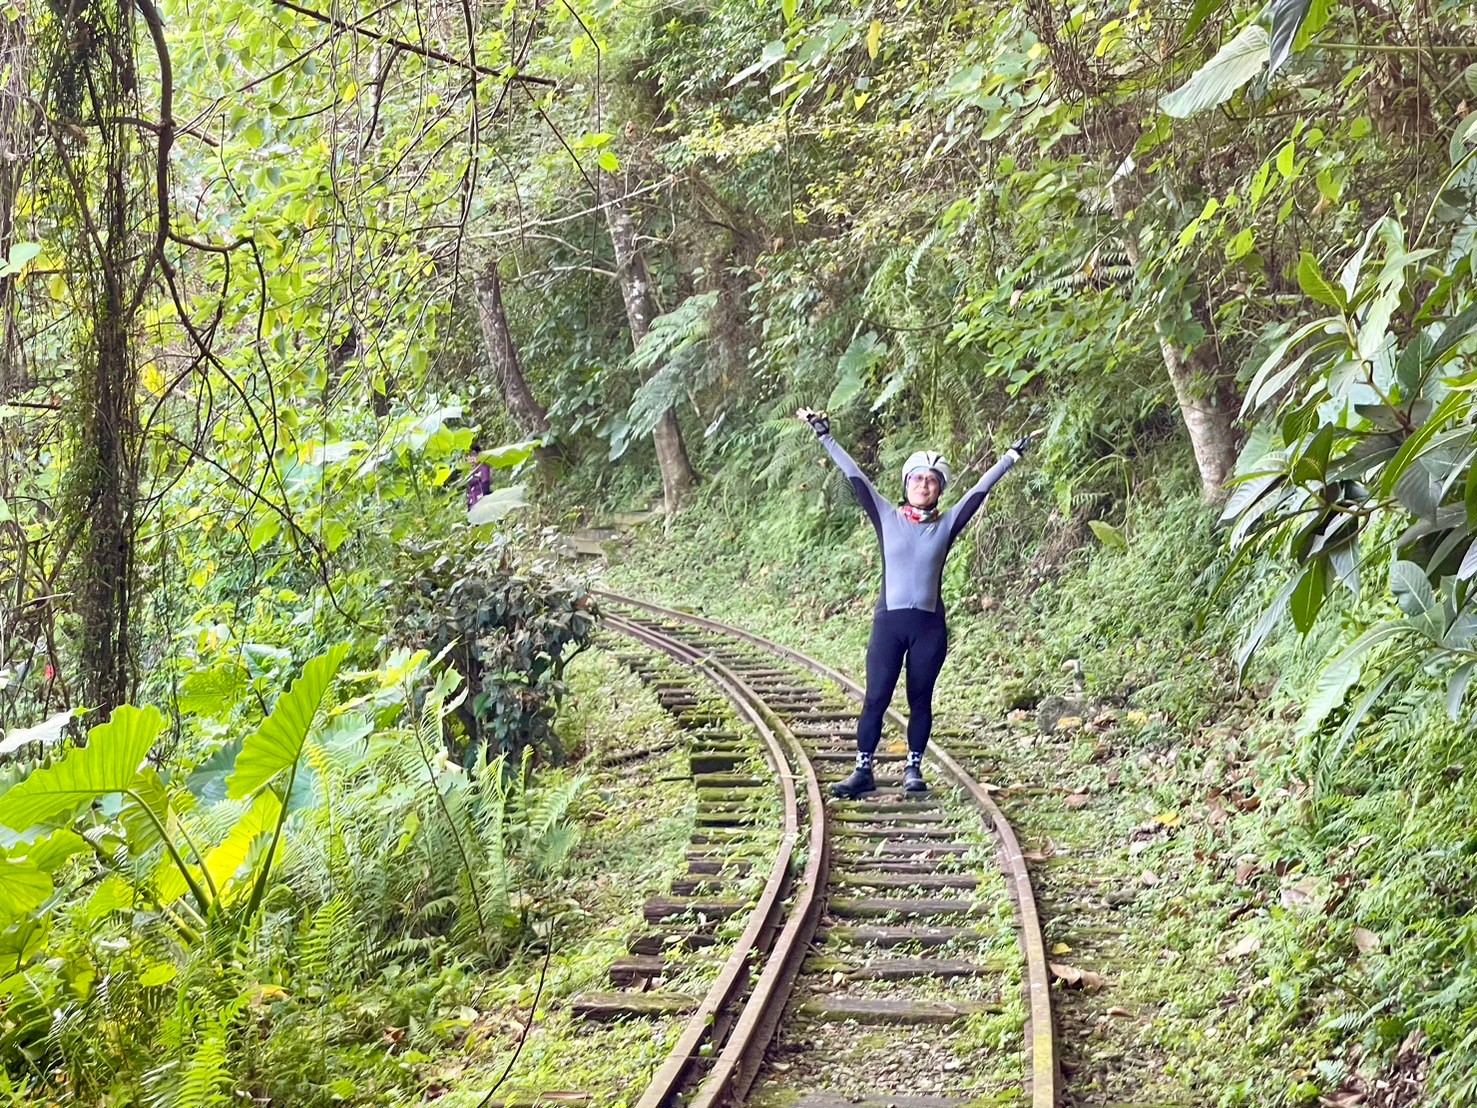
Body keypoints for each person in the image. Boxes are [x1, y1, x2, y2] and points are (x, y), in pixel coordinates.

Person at [796, 408, 1032, 798]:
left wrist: (1010, 457)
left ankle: (913, 768)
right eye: (918, 478)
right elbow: (854, 475)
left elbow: (980, 491)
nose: (924, 484)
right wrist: (824, 436)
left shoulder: (948, 523)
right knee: (875, 697)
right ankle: (863, 770)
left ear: (940, 489)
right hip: (889, 625)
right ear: (907, 484)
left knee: (920, 699)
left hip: (928, 628)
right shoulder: (886, 515)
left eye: (932, 480)